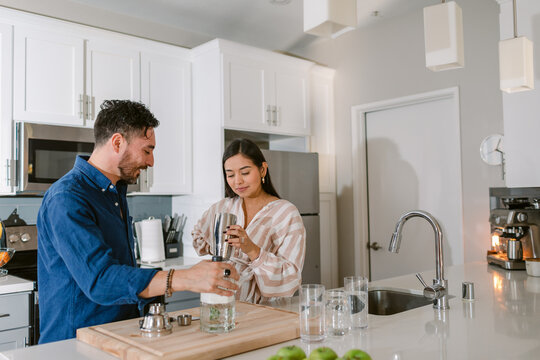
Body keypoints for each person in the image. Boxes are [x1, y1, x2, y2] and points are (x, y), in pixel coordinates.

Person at [37, 100, 238, 344]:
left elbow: (122, 273)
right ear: (118, 142)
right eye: (147, 150)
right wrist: (185, 278)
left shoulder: (114, 193)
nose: (151, 161)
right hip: (74, 345)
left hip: (115, 338)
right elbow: (100, 280)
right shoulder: (67, 198)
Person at [192, 138, 306, 304]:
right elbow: (197, 237)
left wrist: (252, 250)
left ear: (262, 170)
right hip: (222, 301)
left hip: (266, 309)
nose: (237, 181)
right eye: (230, 174)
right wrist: (219, 248)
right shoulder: (223, 207)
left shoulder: (286, 213)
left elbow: (291, 277)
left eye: (245, 173)